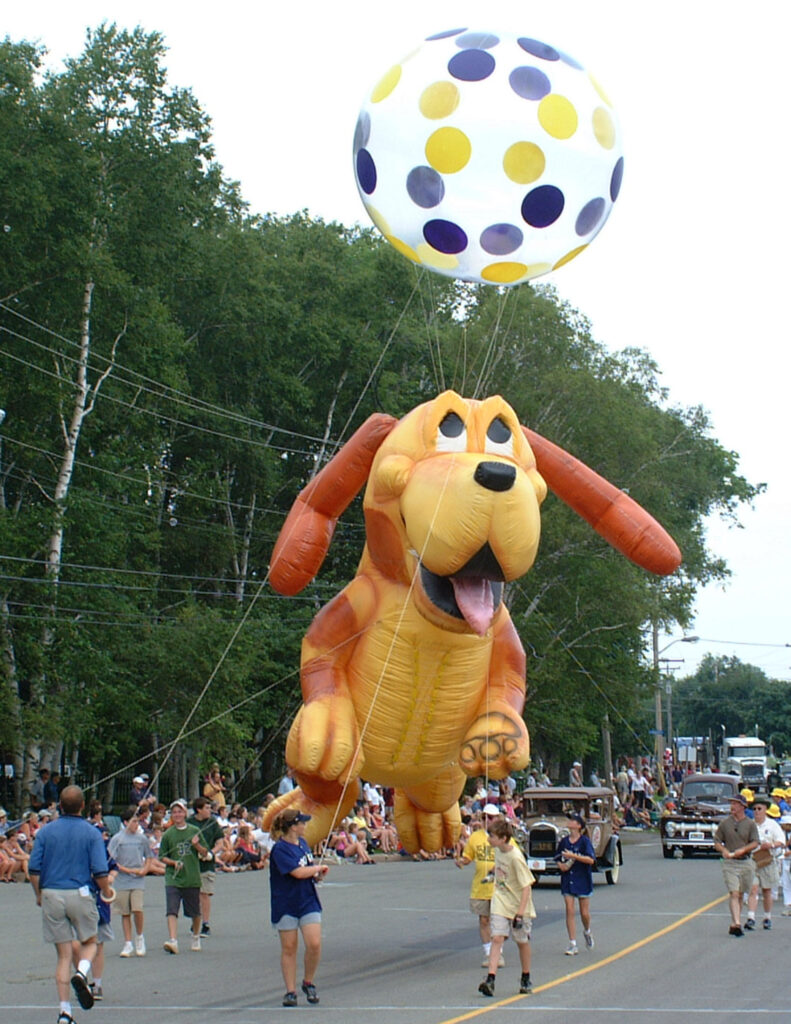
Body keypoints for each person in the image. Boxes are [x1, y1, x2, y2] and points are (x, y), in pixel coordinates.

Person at [28, 784, 112, 1024]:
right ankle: (82, 971)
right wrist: (106, 891)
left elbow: (33, 868)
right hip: (80, 892)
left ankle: (65, 1011)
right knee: (90, 940)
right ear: (83, 806)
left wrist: (38, 893)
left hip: (52, 893)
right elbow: (99, 870)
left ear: (60, 806)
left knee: (63, 955)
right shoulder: (92, 833)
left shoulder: (45, 832)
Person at [269, 808, 329, 1007]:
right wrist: (317, 869)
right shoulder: (280, 849)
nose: (305, 825)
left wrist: (317, 875)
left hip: (308, 900)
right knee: (289, 947)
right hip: (286, 903)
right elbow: (297, 872)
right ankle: (290, 991)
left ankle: (308, 981)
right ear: (293, 826)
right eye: (302, 822)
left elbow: (307, 871)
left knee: (314, 944)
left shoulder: (303, 844)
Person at [477, 817, 535, 998]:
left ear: (503, 838)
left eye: (492, 836)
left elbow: (527, 886)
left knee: (521, 941)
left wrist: (519, 913)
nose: (488, 839)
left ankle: (526, 977)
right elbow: (499, 865)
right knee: (497, 938)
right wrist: (492, 873)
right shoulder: (499, 851)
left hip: (518, 904)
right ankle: (490, 980)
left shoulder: (516, 857)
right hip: (501, 901)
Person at [455, 804, 506, 968]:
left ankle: (498, 953)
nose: (487, 821)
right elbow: (468, 856)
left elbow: (512, 855)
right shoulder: (476, 837)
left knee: (498, 921)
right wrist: (462, 861)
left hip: (499, 885)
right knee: (484, 920)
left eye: (491, 817)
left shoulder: (504, 836)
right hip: (481, 886)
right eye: (485, 817)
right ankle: (488, 952)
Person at [158, 799, 209, 954]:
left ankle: (195, 936)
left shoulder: (194, 830)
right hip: (173, 878)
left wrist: (197, 845)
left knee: (194, 912)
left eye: (180, 811)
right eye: (174, 812)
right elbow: (162, 856)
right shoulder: (168, 834)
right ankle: (173, 940)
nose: (177, 814)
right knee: (172, 909)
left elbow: (205, 853)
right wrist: (173, 863)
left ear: (185, 813)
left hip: (191, 876)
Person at [107, 805, 152, 957]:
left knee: (137, 909)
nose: (136, 824)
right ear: (126, 822)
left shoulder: (142, 838)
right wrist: (126, 871)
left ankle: (139, 937)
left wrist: (145, 869)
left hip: (138, 880)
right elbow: (112, 861)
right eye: (133, 821)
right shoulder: (117, 839)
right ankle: (128, 943)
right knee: (125, 912)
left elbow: (149, 857)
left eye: (137, 821)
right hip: (122, 880)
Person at [713, 793, 760, 936]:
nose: (732, 806)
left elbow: (755, 842)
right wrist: (724, 850)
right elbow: (717, 842)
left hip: (745, 862)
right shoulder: (725, 823)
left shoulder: (750, 824)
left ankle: (735, 922)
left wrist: (744, 849)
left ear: (742, 807)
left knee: (740, 894)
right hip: (730, 863)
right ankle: (737, 924)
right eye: (731, 803)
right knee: (733, 892)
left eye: (735, 804)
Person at [556, 813, 596, 955]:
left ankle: (587, 931)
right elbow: (558, 856)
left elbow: (591, 860)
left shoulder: (584, 841)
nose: (570, 822)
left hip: (582, 878)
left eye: (573, 821)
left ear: (579, 826)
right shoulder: (564, 841)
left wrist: (574, 857)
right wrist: (561, 864)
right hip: (568, 879)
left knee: (584, 913)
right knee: (569, 909)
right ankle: (572, 943)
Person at [745, 793, 785, 931]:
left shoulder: (772, 825)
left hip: (767, 860)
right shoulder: (749, 825)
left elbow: (781, 841)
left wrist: (771, 845)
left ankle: (767, 917)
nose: (756, 812)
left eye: (759, 809)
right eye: (754, 809)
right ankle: (751, 918)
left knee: (767, 890)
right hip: (753, 859)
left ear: (765, 810)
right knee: (753, 888)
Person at [190, 796, 226, 937]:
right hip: (192, 863)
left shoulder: (213, 822)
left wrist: (211, 853)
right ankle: (195, 920)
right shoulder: (189, 823)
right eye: (206, 808)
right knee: (192, 894)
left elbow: (220, 842)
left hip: (207, 863)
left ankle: (205, 923)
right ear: (198, 809)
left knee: (204, 893)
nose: (209, 810)